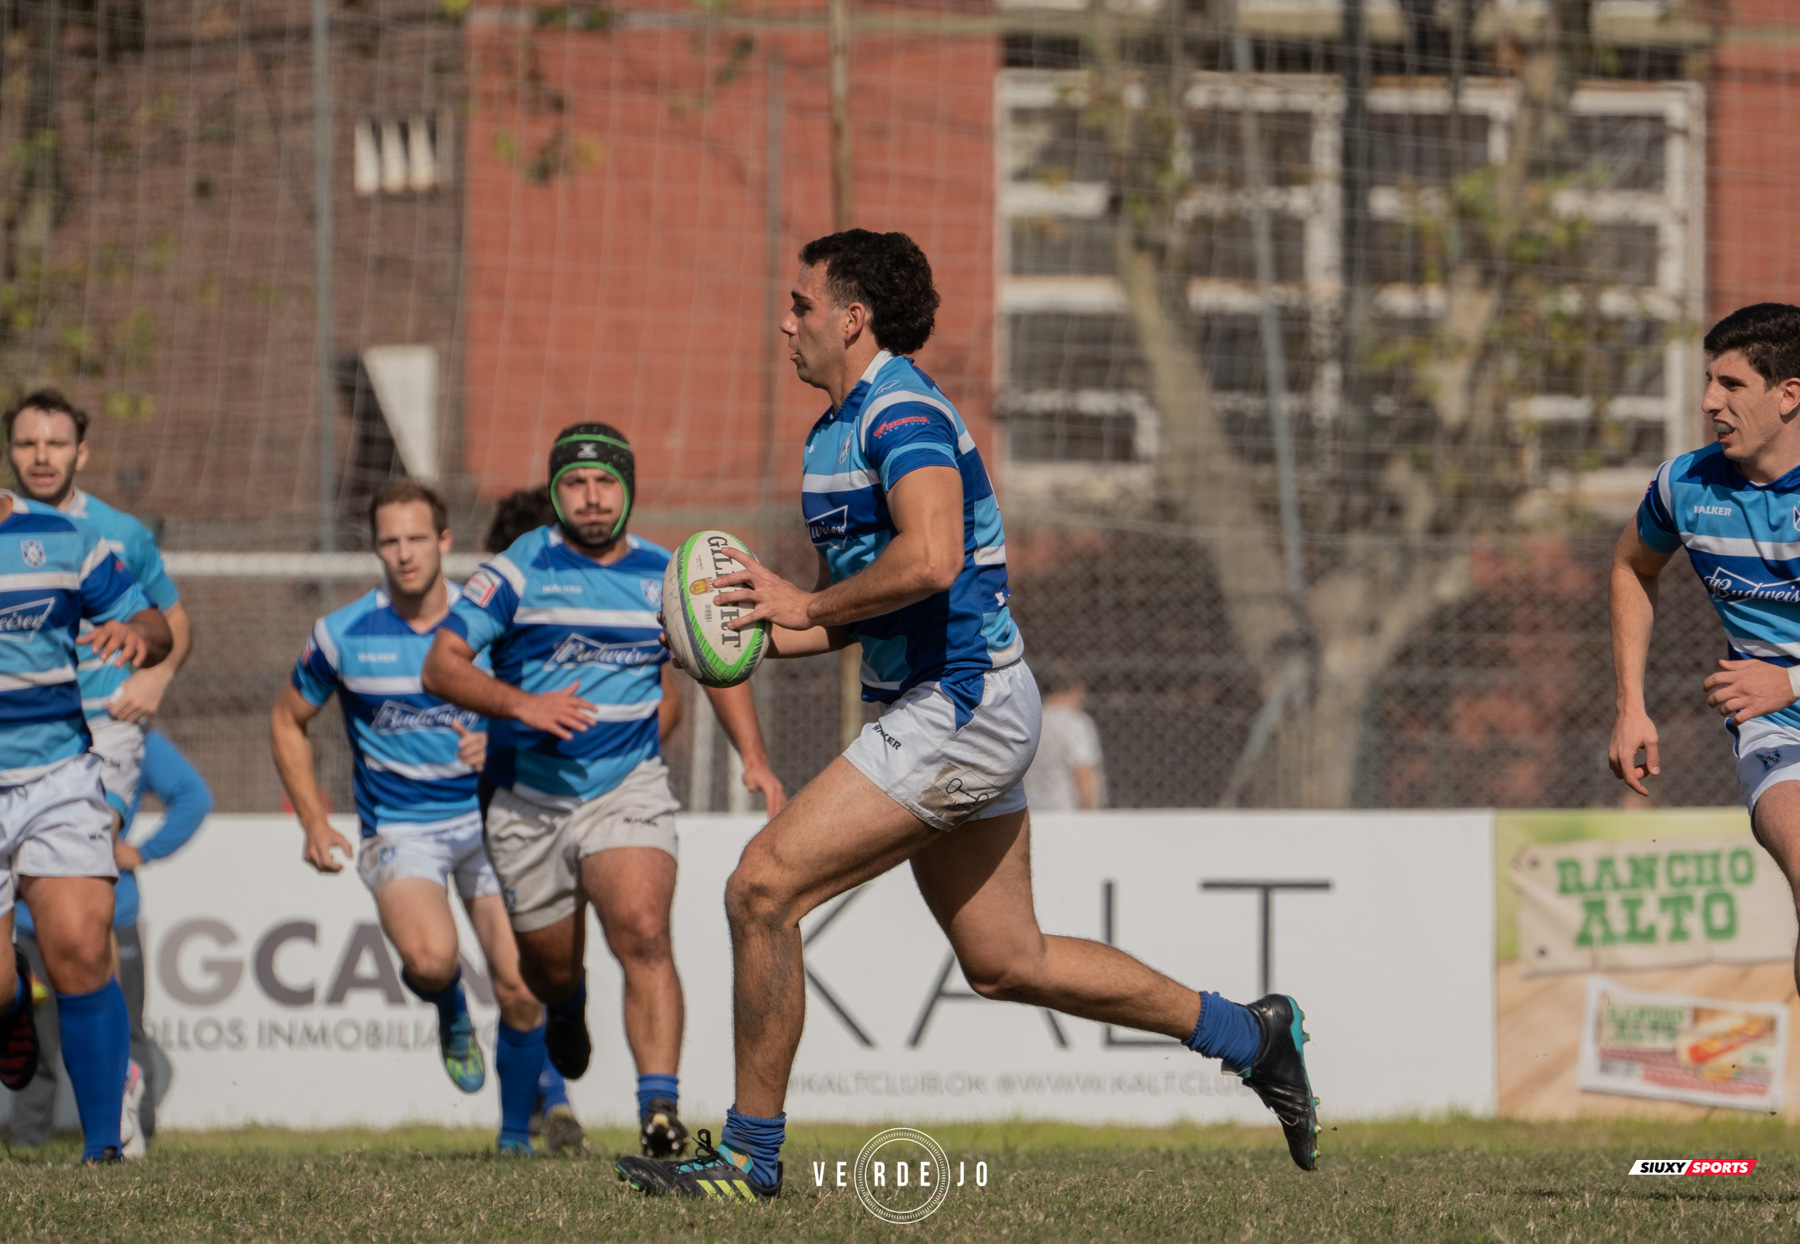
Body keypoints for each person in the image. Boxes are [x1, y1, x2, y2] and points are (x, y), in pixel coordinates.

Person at [614, 230, 1320, 1201]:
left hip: (962, 703)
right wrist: (745, 633)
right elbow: (860, 603)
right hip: (941, 702)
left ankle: (748, 1156)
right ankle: (1252, 1031)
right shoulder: (832, 432)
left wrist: (807, 604)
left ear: (852, 318)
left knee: (760, 888)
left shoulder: (900, 408)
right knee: (1004, 958)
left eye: (801, 303)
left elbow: (935, 557)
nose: (786, 320)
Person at [422, 424, 786, 1159]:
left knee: (645, 931)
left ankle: (659, 1113)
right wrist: (521, 706)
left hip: (628, 784)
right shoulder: (518, 569)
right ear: (557, 493)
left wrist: (754, 754)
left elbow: (717, 661)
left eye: (606, 482)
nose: (592, 497)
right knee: (549, 971)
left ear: (629, 489)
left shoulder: (667, 574)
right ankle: (567, 1004)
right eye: (576, 484)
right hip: (529, 800)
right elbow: (441, 665)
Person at [269, 479, 564, 1156]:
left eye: (416, 540)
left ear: (444, 542)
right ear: (375, 547)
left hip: (493, 819)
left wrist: (500, 741)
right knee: (431, 963)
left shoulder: (488, 622)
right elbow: (287, 720)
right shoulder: (341, 634)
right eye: (389, 542)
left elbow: (548, 710)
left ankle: (515, 1139)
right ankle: (449, 1007)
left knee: (521, 987)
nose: (404, 554)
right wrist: (313, 822)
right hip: (401, 830)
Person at [1610, 302, 1800, 1000]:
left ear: (1789, 396)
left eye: (1730, 384)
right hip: (1779, 733)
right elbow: (1633, 565)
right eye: (1708, 382)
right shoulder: (1685, 486)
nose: (1708, 401)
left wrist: (1793, 680)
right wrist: (1631, 705)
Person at [0, 442, 173, 1163]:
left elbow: (155, 624)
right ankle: (13, 1005)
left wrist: (137, 634)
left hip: (57, 777)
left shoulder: (61, 538)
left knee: (78, 942)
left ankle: (103, 1146)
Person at [11, 728, 212, 1154]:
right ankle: (28, 1141)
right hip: (30, 919)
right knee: (36, 1038)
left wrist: (144, 850)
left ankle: (135, 1137)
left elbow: (193, 795)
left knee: (126, 1029)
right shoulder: (32, 724)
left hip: (111, 916)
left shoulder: (130, 730)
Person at [6, 390, 193, 834]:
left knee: (84, 857)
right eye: (27, 444)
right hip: (19, 737)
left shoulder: (121, 533)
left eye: (56, 444)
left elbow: (174, 621)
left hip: (105, 723)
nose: (41, 457)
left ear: (81, 452)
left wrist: (155, 676)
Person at [1022, 666, 1107, 811]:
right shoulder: (1076, 722)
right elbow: (1082, 771)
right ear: (1073, 689)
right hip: (1068, 811)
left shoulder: (1030, 721)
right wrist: (1092, 813)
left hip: (1033, 809)